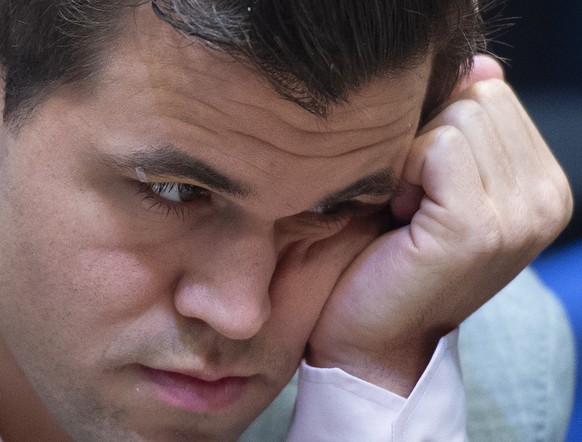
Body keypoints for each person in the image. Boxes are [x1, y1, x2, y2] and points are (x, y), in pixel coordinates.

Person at [0, 1, 573, 441]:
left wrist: (369, 391)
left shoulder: (491, 370)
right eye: (174, 192)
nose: (241, 315)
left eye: (334, 210)